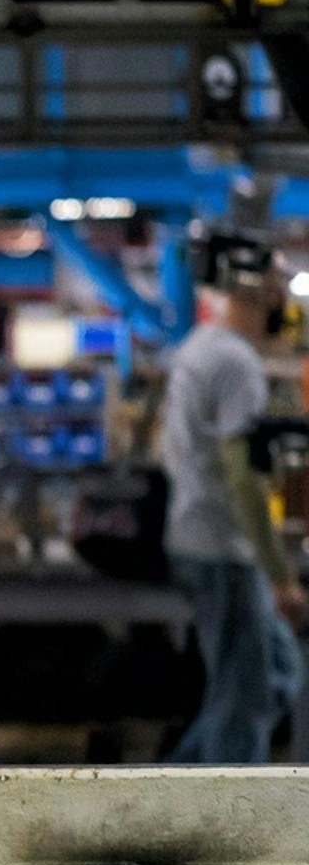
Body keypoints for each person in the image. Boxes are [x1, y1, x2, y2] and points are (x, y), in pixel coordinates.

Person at [161, 232, 306, 763]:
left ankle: (169, 800)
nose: (281, 301)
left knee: (276, 675)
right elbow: (242, 479)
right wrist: (279, 575)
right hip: (223, 548)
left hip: (197, 536)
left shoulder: (199, 348)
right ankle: (215, 830)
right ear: (250, 290)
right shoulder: (236, 364)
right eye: (274, 289)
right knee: (244, 701)